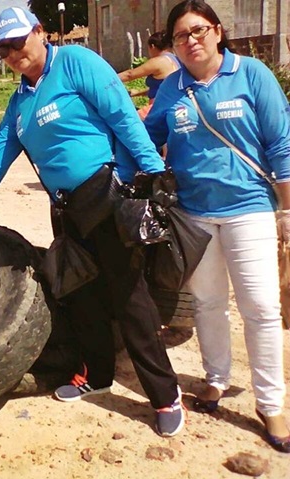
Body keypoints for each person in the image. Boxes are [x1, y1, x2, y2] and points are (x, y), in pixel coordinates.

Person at [0, 6, 185, 438]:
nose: (13, 53)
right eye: (3, 50)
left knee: (129, 297)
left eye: (17, 42)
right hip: (66, 209)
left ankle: (165, 395)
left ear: (39, 32)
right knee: (82, 294)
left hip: (107, 196)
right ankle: (97, 375)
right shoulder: (20, 101)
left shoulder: (76, 63)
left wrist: (153, 171)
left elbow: (123, 116)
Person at [144, 0, 290, 453]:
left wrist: (286, 210)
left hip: (249, 208)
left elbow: (281, 143)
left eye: (199, 31)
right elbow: (147, 139)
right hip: (194, 215)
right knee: (207, 303)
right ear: (173, 45)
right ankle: (216, 379)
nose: (191, 41)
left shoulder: (251, 75)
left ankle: (271, 404)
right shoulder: (172, 89)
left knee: (261, 307)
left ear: (218, 32)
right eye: (181, 36)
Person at [118, 31, 180, 120]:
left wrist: (107, 78)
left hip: (158, 108)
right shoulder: (176, 60)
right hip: (173, 104)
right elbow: (162, 88)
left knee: (127, 120)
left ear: (152, 46)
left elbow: (129, 74)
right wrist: (137, 93)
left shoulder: (158, 61)